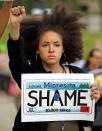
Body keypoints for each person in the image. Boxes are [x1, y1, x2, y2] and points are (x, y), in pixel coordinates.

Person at [7, 3, 100, 131]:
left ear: (63, 48)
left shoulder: (81, 76)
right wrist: (15, 26)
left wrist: (93, 100)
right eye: (45, 45)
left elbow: (86, 122)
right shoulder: (29, 75)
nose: (51, 49)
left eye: (56, 44)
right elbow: (16, 57)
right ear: (37, 49)